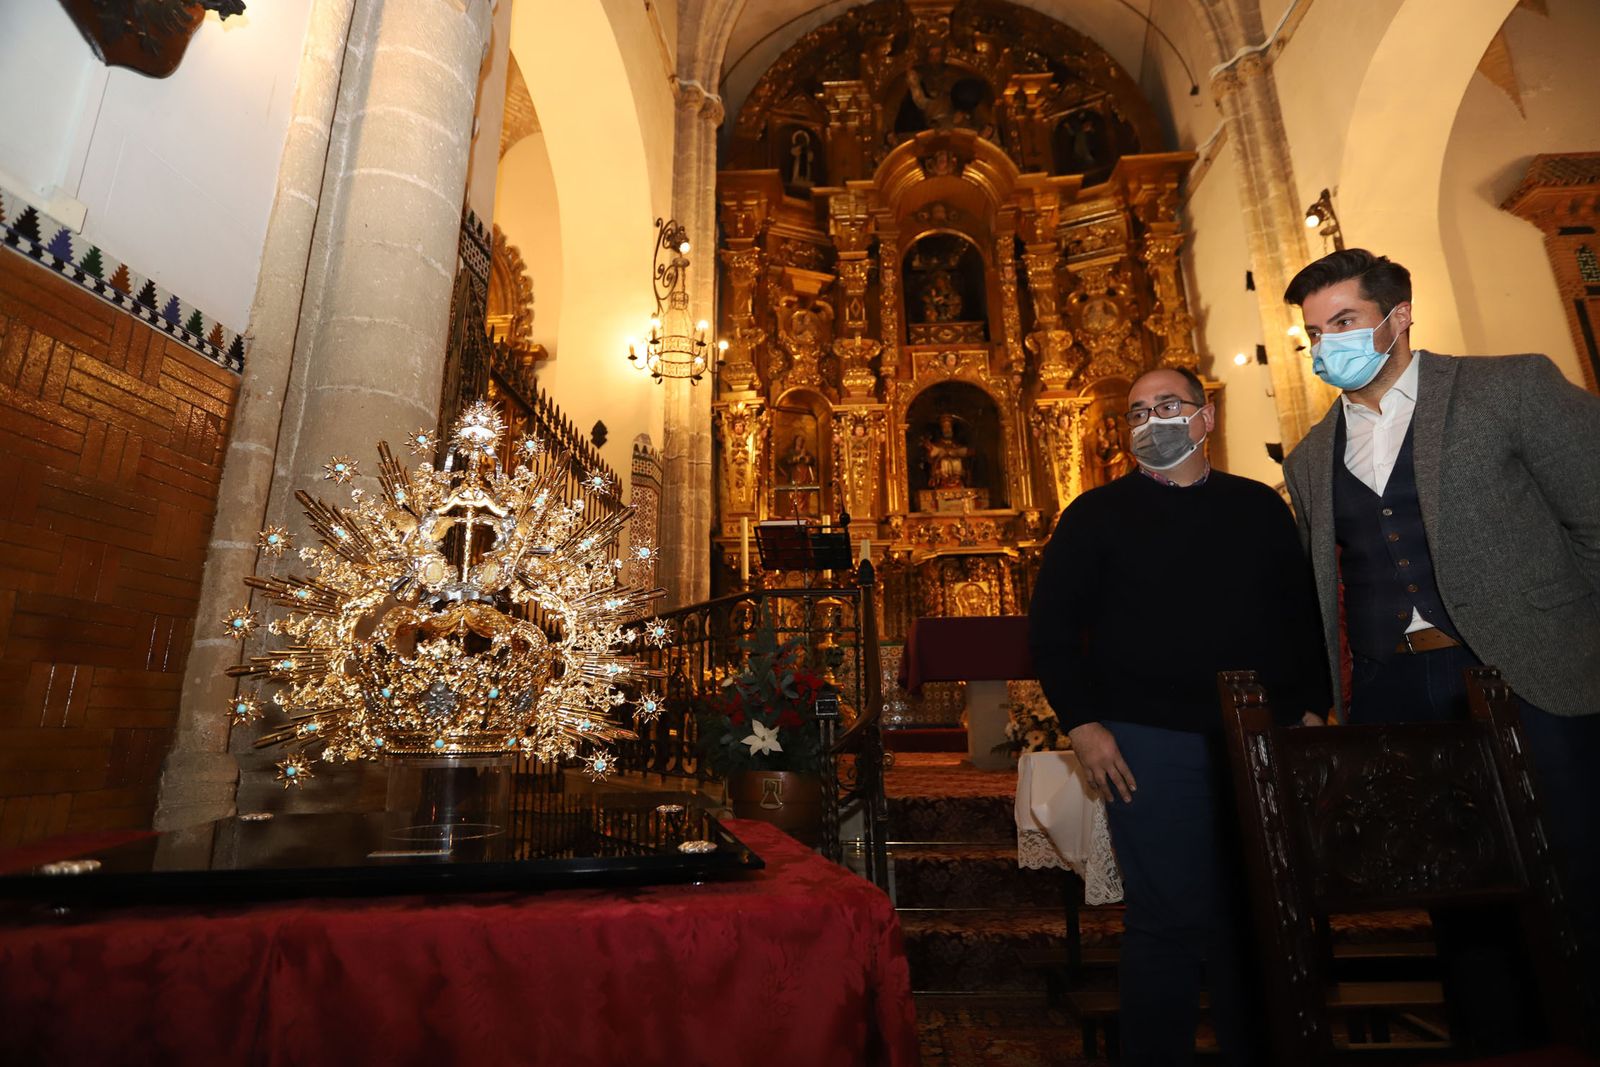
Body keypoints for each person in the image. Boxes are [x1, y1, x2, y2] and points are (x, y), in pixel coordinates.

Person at [1281, 247, 1600, 1051]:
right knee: (1456, 893)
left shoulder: (1510, 387)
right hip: (1397, 690)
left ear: (1399, 315)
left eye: (1343, 322)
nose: (1327, 345)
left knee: (1577, 869)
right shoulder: (1312, 456)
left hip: (1533, 669)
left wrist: (1583, 638)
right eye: (1314, 333)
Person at [1029, 367, 1329, 1067]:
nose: (1151, 420)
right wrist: (1083, 722)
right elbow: (1051, 631)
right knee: (1168, 917)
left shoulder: (1259, 506)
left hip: (1259, 737)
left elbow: (1301, 617)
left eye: (1167, 405)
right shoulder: (1095, 516)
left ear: (1205, 418)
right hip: (1147, 739)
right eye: (1137, 412)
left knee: (1253, 917)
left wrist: (1311, 709)